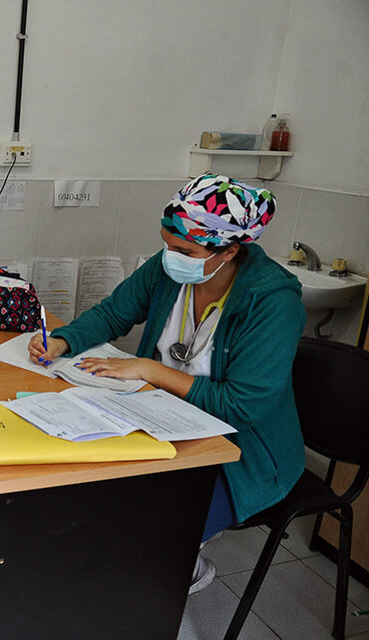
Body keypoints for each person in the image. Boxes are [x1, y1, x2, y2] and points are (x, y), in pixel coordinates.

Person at [29, 173, 306, 593]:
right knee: (87, 495)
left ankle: (182, 571)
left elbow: (242, 407)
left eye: (184, 250)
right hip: (160, 417)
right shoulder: (169, 269)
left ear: (230, 251)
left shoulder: (273, 303)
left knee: (147, 538)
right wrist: (65, 339)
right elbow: (113, 313)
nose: (170, 256)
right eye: (166, 243)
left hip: (240, 453)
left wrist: (150, 370)